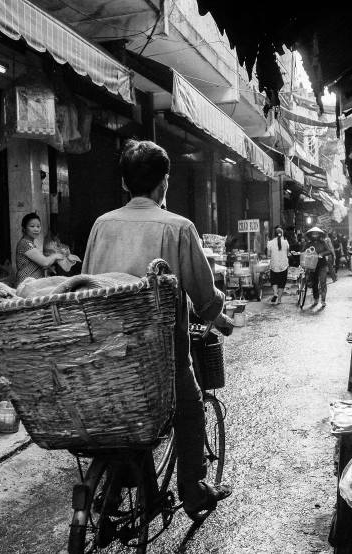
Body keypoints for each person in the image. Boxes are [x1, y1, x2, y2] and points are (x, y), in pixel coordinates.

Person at [82, 139, 233, 518]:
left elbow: (85, 282)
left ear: (124, 184)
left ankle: (117, 489)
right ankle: (194, 489)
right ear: (164, 183)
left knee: (122, 410)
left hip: (109, 347)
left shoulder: (101, 225)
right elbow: (201, 291)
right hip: (163, 352)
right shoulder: (178, 227)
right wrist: (220, 318)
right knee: (189, 405)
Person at [15, 213, 64, 286]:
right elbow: (45, 262)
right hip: (26, 286)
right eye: (32, 226)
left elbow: (35, 265)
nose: (36, 229)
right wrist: (55, 256)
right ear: (24, 228)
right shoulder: (25, 243)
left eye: (38, 226)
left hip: (32, 285)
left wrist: (48, 266)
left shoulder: (30, 243)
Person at [301, 227, 333, 310]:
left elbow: (329, 251)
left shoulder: (323, 243)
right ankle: (316, 298)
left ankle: (323, 299)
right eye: (313, 234)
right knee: (314, 283)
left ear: (319, 235)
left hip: (322, 265)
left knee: (323, 282)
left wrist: (322, 254)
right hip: (312, 266)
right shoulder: (308, 244)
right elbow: (302, 251)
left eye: (316, 233)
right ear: (310, 235)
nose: (315, 235)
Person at [266, 226, 289, 304]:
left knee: (274, 280)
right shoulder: (286, 242)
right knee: (282, 282)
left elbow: (268, 254)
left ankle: (275, 293)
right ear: (282, 234)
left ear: (274, 234)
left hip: (274, 265)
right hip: (284, 265)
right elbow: (287, 253)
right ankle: (279, 299)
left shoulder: (270, 242)